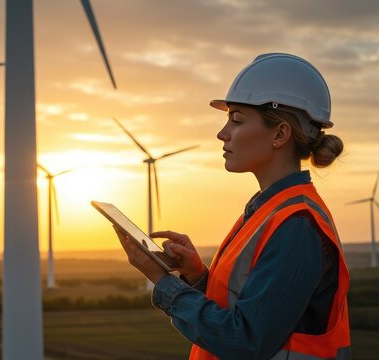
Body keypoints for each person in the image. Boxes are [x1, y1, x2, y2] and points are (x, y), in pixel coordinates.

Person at [114, 53, 351, 359]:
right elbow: (248, 308)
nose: (222, 133)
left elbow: (244, 341)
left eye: (237, 119)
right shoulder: (268, 212)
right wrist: (197, 275)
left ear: (280, 134)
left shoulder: (297, 226)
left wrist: (163, 281)